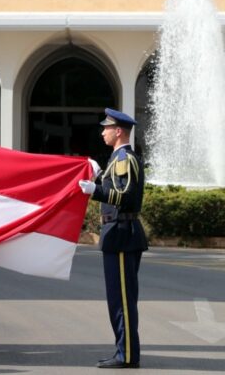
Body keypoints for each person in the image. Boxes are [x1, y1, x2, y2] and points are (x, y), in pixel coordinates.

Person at [78, 108, 148, 369]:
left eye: (106, 127)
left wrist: (94, 190)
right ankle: (125, 351)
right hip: (118, 233)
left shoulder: (123, 159)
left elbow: (126, 197)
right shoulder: (117, 158)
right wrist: (98, 178)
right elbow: (116, 189)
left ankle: (127, 355)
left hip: (121, 234)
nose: (102, 132)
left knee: (122, 300)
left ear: (119, 131)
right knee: (119, 299)